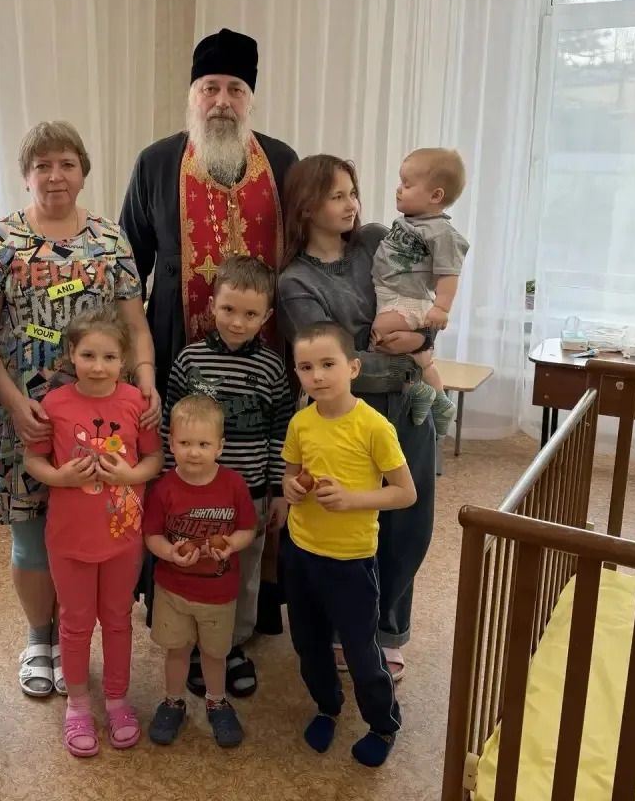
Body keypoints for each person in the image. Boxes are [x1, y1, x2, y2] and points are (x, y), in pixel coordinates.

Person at [0, 121, 159, 699]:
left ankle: (82, 636)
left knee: (98, 528)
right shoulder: (0, 241)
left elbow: (135, 325)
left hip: (104, 417)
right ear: (26, 174)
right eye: (43, 166)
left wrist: (146, 383)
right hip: (27, 418)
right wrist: (13, 403)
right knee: (32, 538)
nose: (55, 176)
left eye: (66, 164)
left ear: (83, 172)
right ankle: (41, 638)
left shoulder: (110, 239)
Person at [277, 153, 437, 684]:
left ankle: (388, 630)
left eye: (353, 193)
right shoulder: (295, 282)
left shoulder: (375, 240)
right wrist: (408, 353)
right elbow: (325, 360)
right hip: (344, 415)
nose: (352, 204)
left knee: (408, 522)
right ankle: (345, 627)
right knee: (348, 520)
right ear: (307, 206)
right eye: (337, 196)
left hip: (408, 402)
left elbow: (423, 302)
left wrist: (419, 338)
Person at [120, 28, 298, 399]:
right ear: (193, 97)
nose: (222, 101)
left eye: (236, 90)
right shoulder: (156, 162)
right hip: (176, 345)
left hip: (266, 355)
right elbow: (128, 264)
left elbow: (305, 249)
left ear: (250, 101)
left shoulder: (282, 161)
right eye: (210, 88)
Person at [23, 306, 164, 758]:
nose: (99, 366)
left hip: (123, 537)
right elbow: (33, 459)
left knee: (118, 620)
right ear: (71, 355)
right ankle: (79, 705)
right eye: (88, 355)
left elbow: (154, 460)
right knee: (75, 623)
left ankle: (118, 700)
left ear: (124, 359)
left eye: (109, 357)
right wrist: (59, 477)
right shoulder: (54, 404)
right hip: (69, 539)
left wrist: (129, 476)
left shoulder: (136, 402)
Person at [280, 322, 415, 768]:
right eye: (306, 367)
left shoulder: (374, 427)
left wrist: (352, 499)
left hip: (351, 560)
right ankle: (327, 706)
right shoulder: (301, 422)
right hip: (301, 552)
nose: (317, 375)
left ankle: (382, 724)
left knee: (360, 650)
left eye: (327, 364)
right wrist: (292, 488)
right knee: (309, 643)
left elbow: (405, 493)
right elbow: (291, 475)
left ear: (353, 367)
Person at [161, 254, 292, 698]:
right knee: (196, 566)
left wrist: (278, 492)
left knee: (243, 571)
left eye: (251, 314)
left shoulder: (272, 367)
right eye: (229, 309)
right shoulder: (190, 360)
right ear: (212, 305)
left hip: (250, 495)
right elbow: (170, 426)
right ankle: (196, 646)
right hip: (193, 495)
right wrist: (168, 485)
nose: (238, 322)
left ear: (266, 317)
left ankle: (231, 645)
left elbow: (280, 434)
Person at [144, 395, 257, 748]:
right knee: (176, 651)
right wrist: (170, 552)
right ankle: (173, 701)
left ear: (220, 446)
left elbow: (248, 529)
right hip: (173, 591)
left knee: (214, 653)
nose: (194, 452)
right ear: (171, 443)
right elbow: (151, 535)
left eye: (204, 444)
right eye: (185, 443)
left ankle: (216, 701)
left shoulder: (234, 484)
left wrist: (231, 544)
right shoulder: (164, 488)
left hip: (219, 593)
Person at [370, 148, 469, 436]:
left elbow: (449, 274)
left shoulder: (441, 233)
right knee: (422, 359)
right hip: (390, 294)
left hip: (407, 300)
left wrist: (442, 308)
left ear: (435, 196)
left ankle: (418, 391)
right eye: (400, 182)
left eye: (407, 184)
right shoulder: (410, 222)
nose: (398, 189)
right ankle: (439, 399)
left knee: (380, 336)